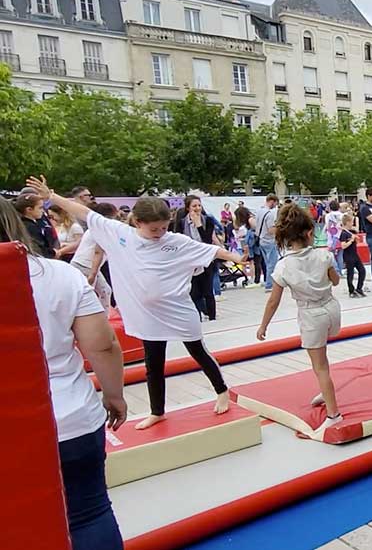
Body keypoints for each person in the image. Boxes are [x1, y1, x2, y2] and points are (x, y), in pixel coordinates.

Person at [27, 176, 243, 431]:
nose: (160, 234)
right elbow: (83, 212)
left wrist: (236, 256)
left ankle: (222, 391)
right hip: (147, 315)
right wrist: (52, 196)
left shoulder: (174, 241)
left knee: (199, 352)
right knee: (153, 363)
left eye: (163, 228)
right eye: (154, 230)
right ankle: (157, 411)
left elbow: (211, 250)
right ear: (137, 222)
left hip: (178, 309)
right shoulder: (120, 234)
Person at [1, 198, 127, 550]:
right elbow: (101, 345)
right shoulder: (56, 275)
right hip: (68, 417)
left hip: (21, 430)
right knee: (88, 512)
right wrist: (114, 395)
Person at [256, 204, 343, 423]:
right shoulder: (324, 256)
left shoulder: (284, 266)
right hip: (331, 310)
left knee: (320, 366)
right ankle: (327, 392)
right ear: (310, 232)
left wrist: (263, 325)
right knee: (323, 357)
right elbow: (335, 280)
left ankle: (334, 414)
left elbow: (273, 301)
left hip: (311, 315)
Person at [70, 203, 119, 312]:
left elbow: (80, 244)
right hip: (87, 265)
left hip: (83, 263)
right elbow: (98, 252)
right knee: (99, 291)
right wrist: (93, 273)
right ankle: (102, 317)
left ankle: (103, 315)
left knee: (104, 291)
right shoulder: (102, 230)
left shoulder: (92, 228)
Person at [176, 195, 220, 321]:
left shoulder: (208, 220)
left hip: (206, 259)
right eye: (194, 206)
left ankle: (212, 316)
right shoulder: (182, 223)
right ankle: (197, 317)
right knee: (194, 292)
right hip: (190, 260)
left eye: (199, 205)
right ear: (188, 208)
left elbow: (207, 240)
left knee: (208, 291)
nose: (197, 208)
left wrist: (199, 225)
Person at [252, 195, 280, 292]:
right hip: (269, 240)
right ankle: (269, 285)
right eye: (275, 203)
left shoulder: (259, 211)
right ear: (272, 201)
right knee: (272, 263)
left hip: (260, 240)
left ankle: (268, 282)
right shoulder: (270, 214)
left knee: (267, 262)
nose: (275, 206)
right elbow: (271, 229)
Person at [16, 193, 58, 258]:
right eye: (40, 208)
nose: (43, 211)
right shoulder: (30, 227)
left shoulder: (24, 224)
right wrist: (53, 253)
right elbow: (39, 249)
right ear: (29, 209)